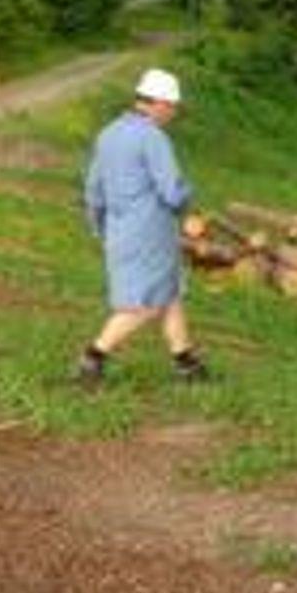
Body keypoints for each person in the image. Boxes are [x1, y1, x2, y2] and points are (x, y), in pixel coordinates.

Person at [77, 66, 213, 384]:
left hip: (120, 231)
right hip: (150, 234)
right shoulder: (153, 137)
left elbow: (93, 190)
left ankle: (187, 364)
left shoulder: (108, 133)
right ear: (159, 103)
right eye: (173, 107)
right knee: (144, 306)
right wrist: (189, 202)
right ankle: (93, 357)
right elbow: (172, 191)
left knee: (168, 294)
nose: (174, 114)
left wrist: (99, 227)